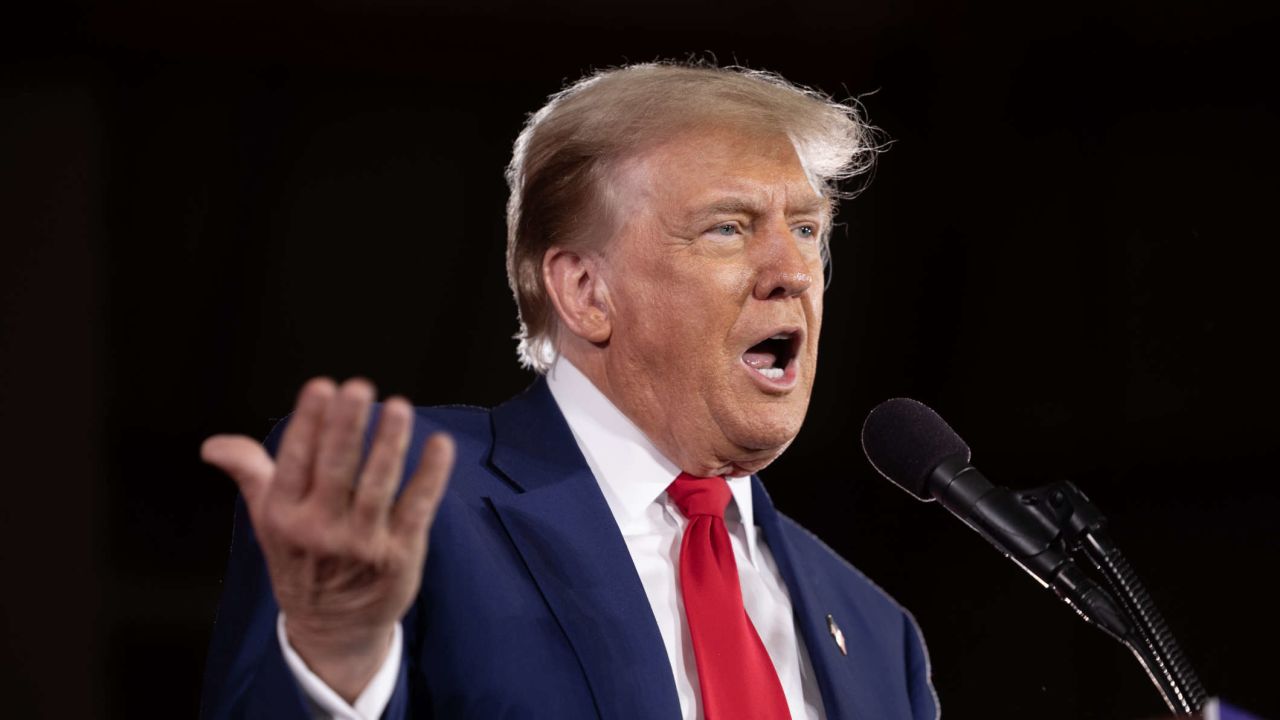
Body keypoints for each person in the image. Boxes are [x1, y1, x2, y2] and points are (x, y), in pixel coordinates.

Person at [200, 61, 939, 720]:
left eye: (809, 230)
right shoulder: (403, 499)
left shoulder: (877, 635)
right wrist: (334, 669)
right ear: (586, 291)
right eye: (728, 228)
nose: (795, 272)